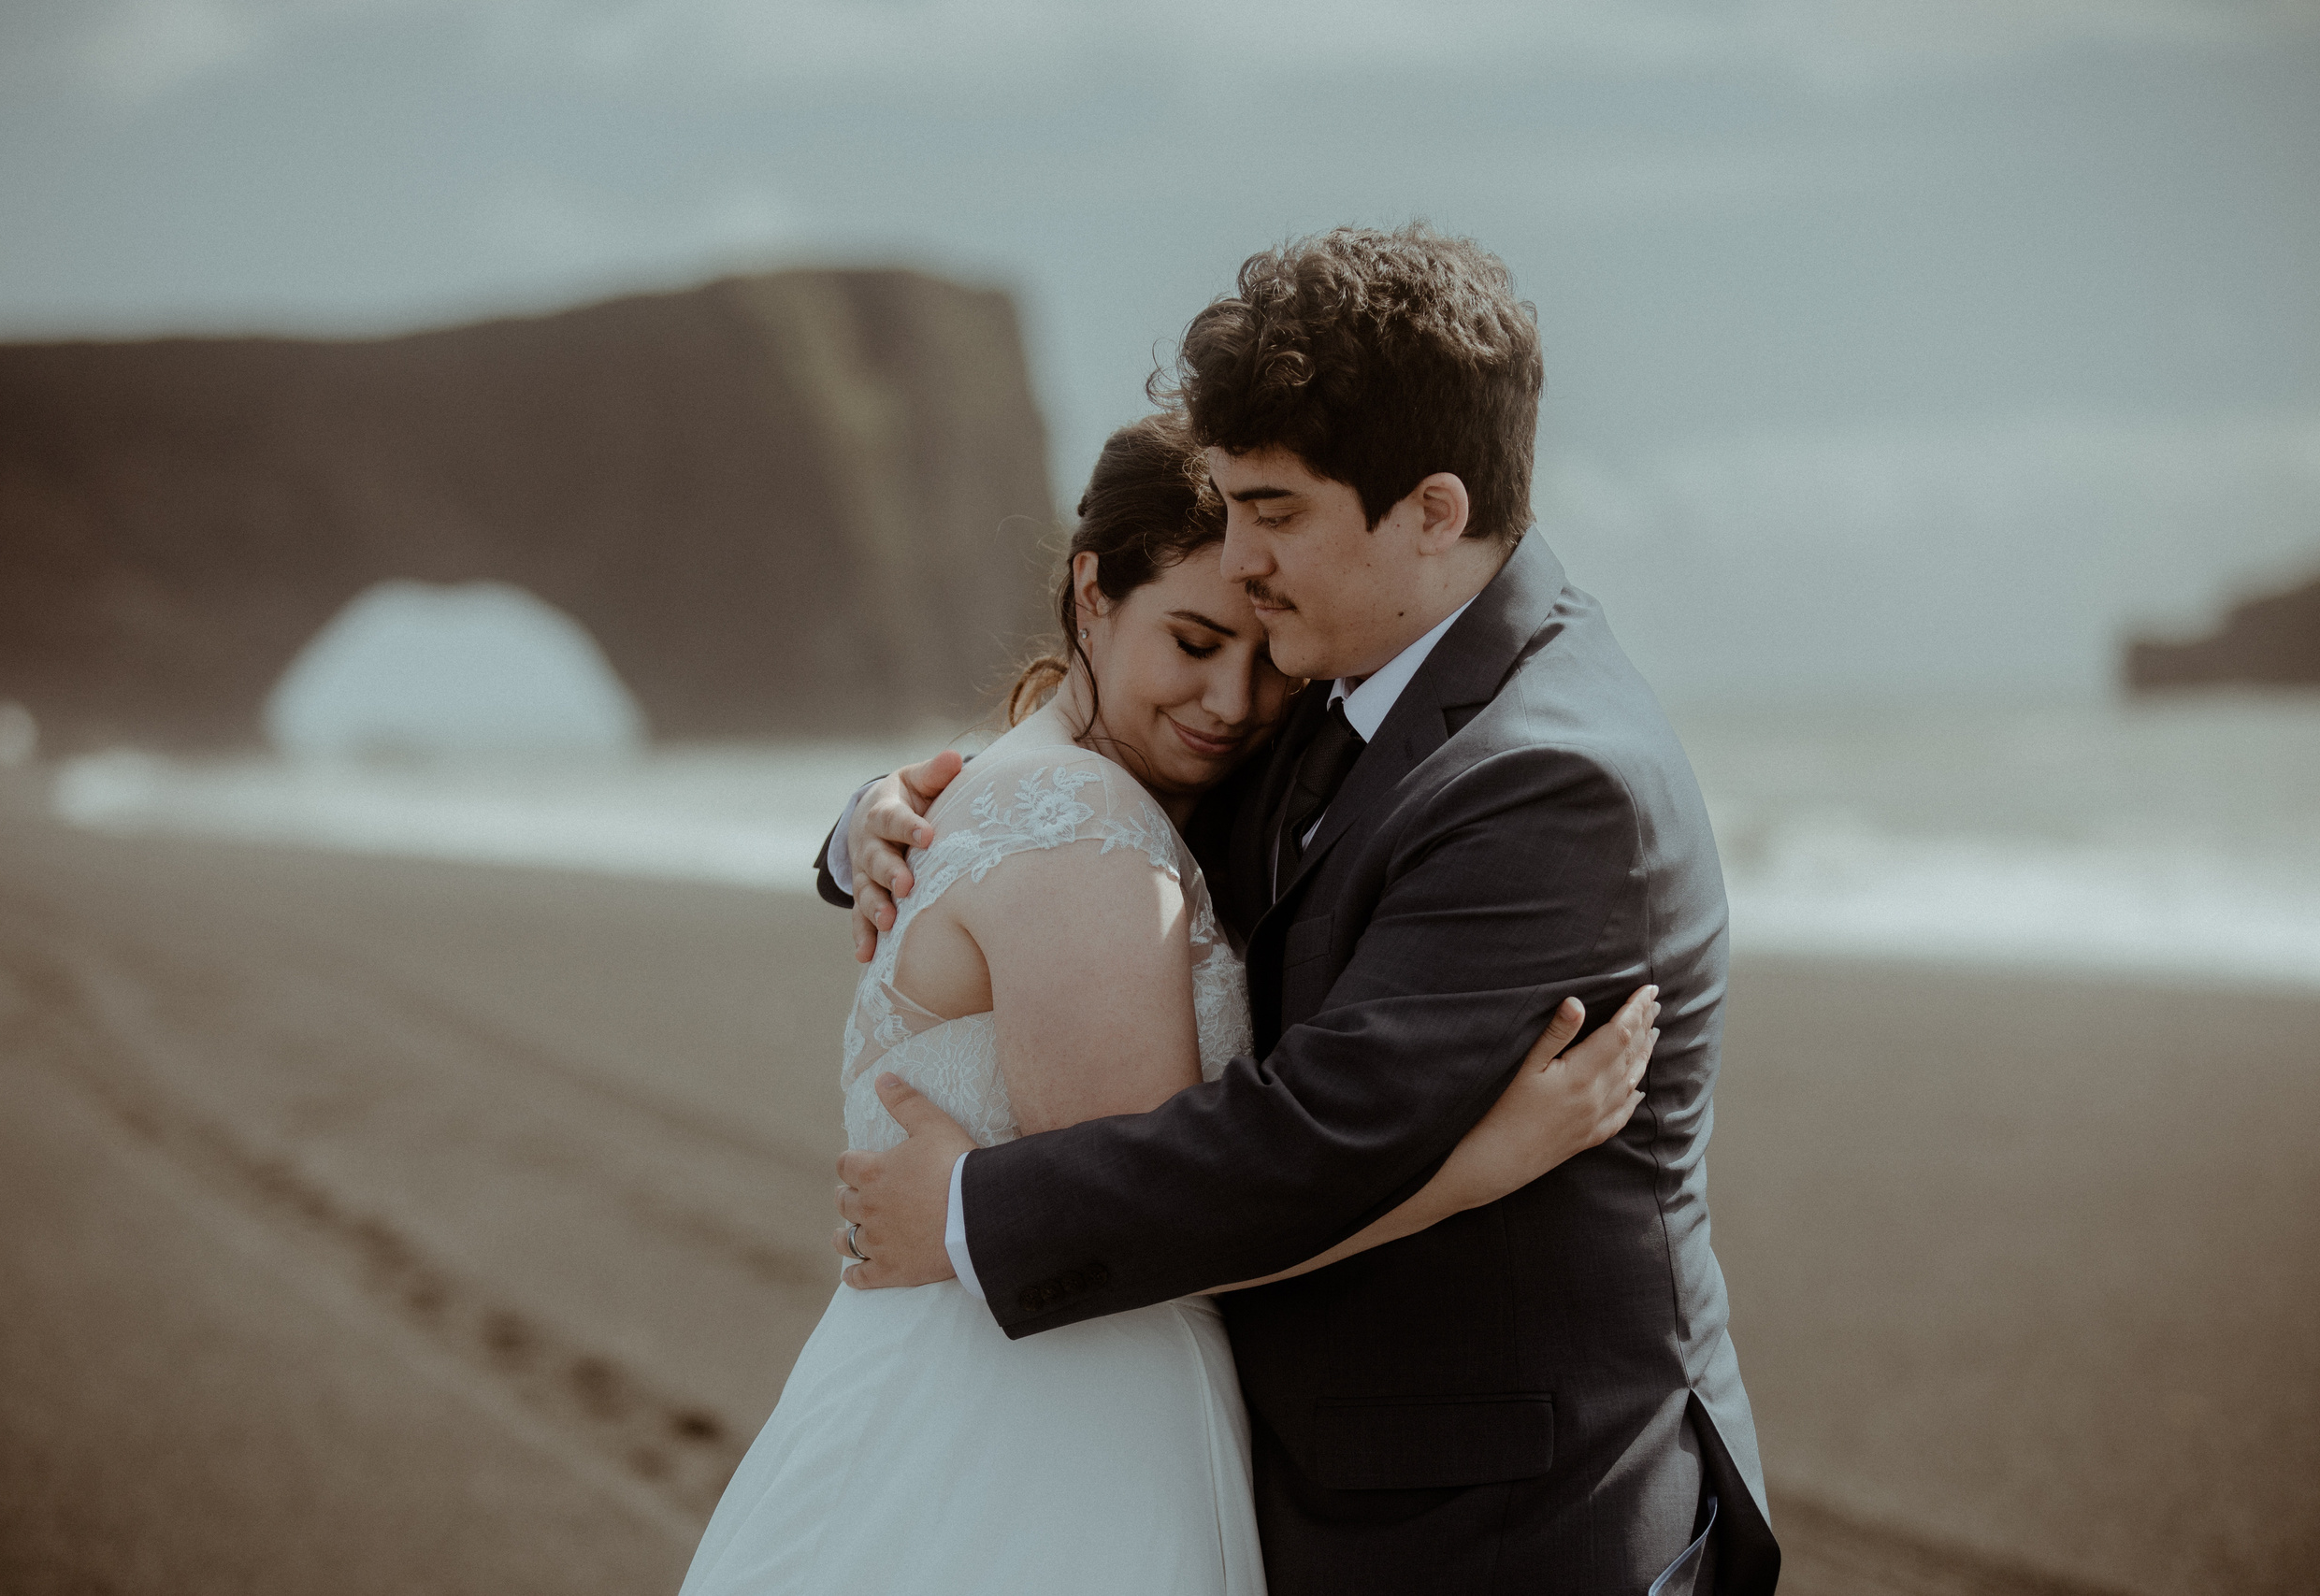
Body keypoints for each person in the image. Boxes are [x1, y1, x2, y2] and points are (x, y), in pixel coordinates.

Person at [830, 226, 1778, 1596]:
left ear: (1434, 513)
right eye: (1225, 508)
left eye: (1273, 512)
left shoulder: (1546, 777)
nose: (1239, 555)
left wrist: (972, 1210)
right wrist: (882, 820)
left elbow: (1324, 1132)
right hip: (1322, 1491)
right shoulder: (1335, 680)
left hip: (1510, 1529)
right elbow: (1094, 806)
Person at [676, 410, 1658, 1596]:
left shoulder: (1071, 795)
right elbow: (1165, 1233)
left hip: (1006, 1385)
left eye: (1265, 659)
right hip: (1041, 1428)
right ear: (1091, 591)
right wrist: (1484, 1162)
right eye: (1191, 641)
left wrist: (859, 824)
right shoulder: (1087, 831)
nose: (1233, 703)